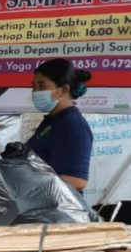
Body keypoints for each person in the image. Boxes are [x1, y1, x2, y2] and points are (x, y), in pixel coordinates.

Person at [27, 58, 93, 191]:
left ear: (63, 90)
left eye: (42, 86)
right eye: (33, 86)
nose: (35, 92)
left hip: (59, 209)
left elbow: (78, 180)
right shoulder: (52, 121)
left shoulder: (73, 125)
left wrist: (29, 185)